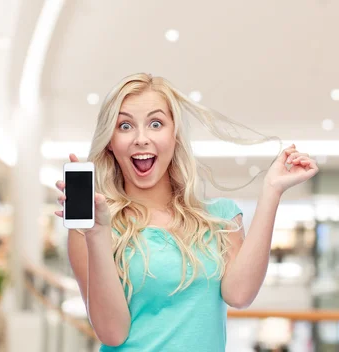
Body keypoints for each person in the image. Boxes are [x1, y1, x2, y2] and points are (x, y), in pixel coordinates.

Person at [54, 73, 318, 351]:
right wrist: (98, 234)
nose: (141, 138)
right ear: (110, 140)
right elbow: (112, 333)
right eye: (125, 125)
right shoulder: (90, 228)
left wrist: (272, 190)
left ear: (175, 134)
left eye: (156, 123)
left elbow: (240, 295)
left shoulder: (220, 218)